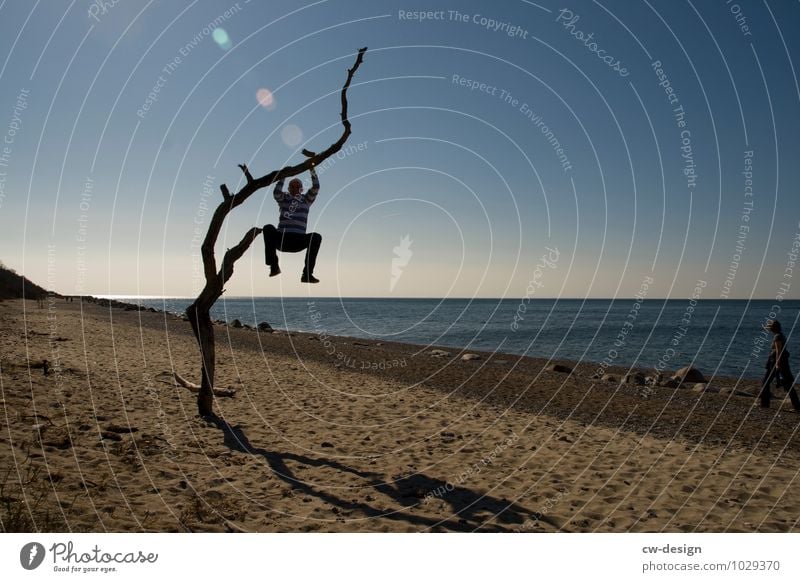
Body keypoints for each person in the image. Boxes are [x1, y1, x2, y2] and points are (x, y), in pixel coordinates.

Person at [263, 164, 322, 283]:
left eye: (297, 187)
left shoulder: (306, 200)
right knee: (268, 228)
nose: (295, 188)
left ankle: (307, 274)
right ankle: (274, 266)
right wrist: (284, 175)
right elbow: (276, 192)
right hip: (282, 239)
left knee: (316, 237)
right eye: (292, 186)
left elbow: (316, 186)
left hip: (298, 241)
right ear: (289, 189)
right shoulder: (284, 199)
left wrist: (312, 168)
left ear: (301, 189)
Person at [759, 319, 800, 411]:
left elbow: (779, 351)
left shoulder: (777, 337)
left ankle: (765, 404)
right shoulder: (781, 335)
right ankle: (797, 405)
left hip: (776, 363)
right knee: (787, 384)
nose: (768, 329)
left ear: (773, 328)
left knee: (766, 383)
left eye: (770, 327)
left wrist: (777, 363)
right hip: (778, 362)